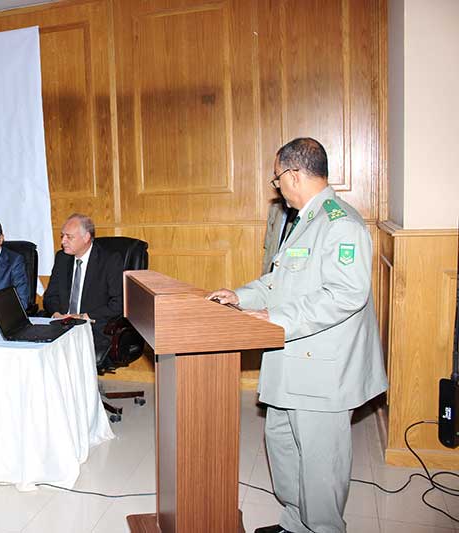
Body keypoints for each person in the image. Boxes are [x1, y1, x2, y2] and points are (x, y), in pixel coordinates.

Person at [208, 138, 387, 533]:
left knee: (320, 464)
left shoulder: (341, 224)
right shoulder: (307, 219)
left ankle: (321, 527)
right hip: (291, 362)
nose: (278, 187)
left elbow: (344, 297)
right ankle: (295, 523)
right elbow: (280, 279)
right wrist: (241, 295)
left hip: (322, 371)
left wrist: (274, 317)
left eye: (277, 178)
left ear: (294, 174)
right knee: (283, 445)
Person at [43, 213, 123, 367]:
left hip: (94, 325)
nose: (63, 241)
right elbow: (50, 296)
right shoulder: (62, 258)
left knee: (68, 353)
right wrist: (57, 314)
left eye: (69, 237)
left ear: (86, 237)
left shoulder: (110, 260)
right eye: (62, 236)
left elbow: (118, 304)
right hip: (63, 322)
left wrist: (83, 316)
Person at [262, 198, 298, 275]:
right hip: (272, 270)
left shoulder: (308, 210)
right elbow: (268, 247)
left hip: (293, 269)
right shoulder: (275, 208)